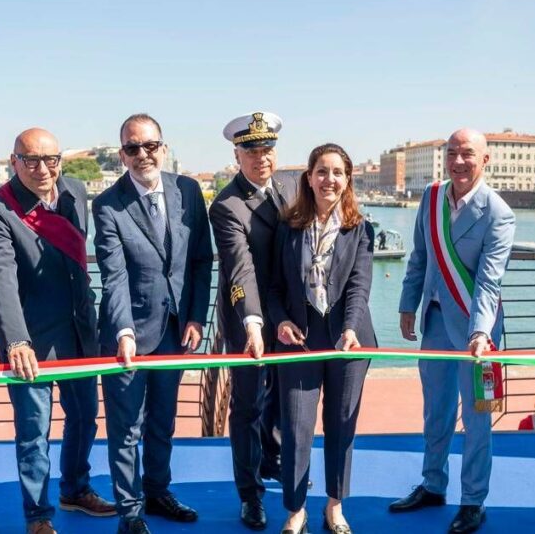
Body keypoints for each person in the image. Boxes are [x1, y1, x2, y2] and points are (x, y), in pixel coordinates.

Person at [0, 128, 114, 534]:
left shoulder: (76, 192)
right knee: (34, 432)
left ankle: (76, 489)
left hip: (80, 332)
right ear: (13, 161)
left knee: (85, 417)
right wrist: (16, 340)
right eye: (31, 160)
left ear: (60, 161)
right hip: (31, 342)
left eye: (50, 159)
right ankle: (38, 515)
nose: (42, 169)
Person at [390, 128, 515, 534]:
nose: (458, 162)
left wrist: (480, 332)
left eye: (468, 154)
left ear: (485, 160)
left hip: (479, 333)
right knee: (436, 411)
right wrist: (407, 304)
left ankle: (473, 500)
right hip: (435, 324)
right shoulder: (431, 198)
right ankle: (433, 484)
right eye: (452, 153)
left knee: (478, 420)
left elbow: (489, 283)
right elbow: (419, 257)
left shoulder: (498, 213)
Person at [94, 113, 213, 534]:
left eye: (149, 145)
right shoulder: (107, 205)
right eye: (133, 148)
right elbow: (114, 276)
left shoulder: (188, 191)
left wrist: (196, 315)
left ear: (163, 147)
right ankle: (130, 512)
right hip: (127, 335)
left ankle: (158, 491)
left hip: (176, 330)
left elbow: (201, 260)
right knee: (126, 428)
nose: (142, 154)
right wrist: (123, 330)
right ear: (122, 154)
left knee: (163, 421)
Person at [267, 143, 376, 534]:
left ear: (347, 180)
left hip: (349, 340)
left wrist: (351, 327)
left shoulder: (360, 229)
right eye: (322, 172)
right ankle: (296, 509)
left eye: (337, 173)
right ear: (309, 178)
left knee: (341, 425)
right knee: (296, 426)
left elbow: (360, 285)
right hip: (298, 340)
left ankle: (335, 505)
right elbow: (273, 287)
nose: (329, 179)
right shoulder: (288, 226)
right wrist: (280, 321)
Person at [211, 111, 295, 530]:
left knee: (283, 396)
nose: (261, 158)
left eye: (267, 150)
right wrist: (253, 323)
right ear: (237, 156)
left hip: (289, 317)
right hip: (249, 319)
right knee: (246, 406)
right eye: (252, 151)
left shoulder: (291, 188)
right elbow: (240, 270)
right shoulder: (227, 206)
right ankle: (250, 494)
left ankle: (274, 460)